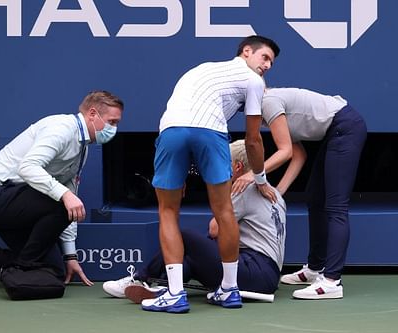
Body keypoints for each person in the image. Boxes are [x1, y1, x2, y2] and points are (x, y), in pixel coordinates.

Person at [145, 35, 280, 314]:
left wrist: (181, 172)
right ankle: (229, 290)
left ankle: (174, 294)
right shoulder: (254, 81)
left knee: (168, 211)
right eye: (264, 57)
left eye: (271, 62)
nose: (267, 65)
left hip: (171, 131)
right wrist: (261, 179)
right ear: (246, 52)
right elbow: (253, 141)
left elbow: (184, 122)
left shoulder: (201, 68)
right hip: (211, 132)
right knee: (224, 211)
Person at [102, 139, 286, 304]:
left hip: (254, 270)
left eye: (224, 162)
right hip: (267, 277)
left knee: (185, 237)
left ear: (237, 167)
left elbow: (214, 229)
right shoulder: (275, 194)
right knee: (189, 258)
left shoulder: (244, 188)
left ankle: (142, 277)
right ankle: (163, 285)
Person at [0, 90, 124, 289]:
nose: (114, 128)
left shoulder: (83, 148)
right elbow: (27, 167)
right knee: (63, 202)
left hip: (17, 203)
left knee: (53, 270)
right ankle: (24, 266)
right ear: (92, 114)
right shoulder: (61, 128)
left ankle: (3, 262)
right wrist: (64, 194)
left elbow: (72, 205)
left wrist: (70, 255)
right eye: (112, 122)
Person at [232, 87, 367, 299]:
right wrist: (277, 193)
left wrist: (254, 176)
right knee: (315, 197)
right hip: (337, 130)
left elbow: (285, 152)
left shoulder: (268, 102)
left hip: (345, 127)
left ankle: (332, 281)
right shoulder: (265, 109)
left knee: (336, 206)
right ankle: (315, 269)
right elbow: (299, 154)